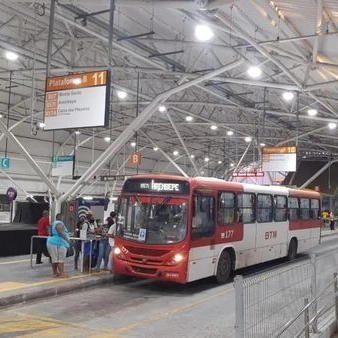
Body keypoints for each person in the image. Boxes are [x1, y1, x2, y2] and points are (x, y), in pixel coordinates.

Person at [46, 213, 70, 278]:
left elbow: (49, 232)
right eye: (63, 217)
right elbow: (61, 233)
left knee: (54, 259)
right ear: (61, 217)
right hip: (58, 243)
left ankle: (55, 272)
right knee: (60, 259)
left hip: (51, 242)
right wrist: (68, 240)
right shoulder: (59, 223)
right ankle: (62, 273)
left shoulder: (53, 223)